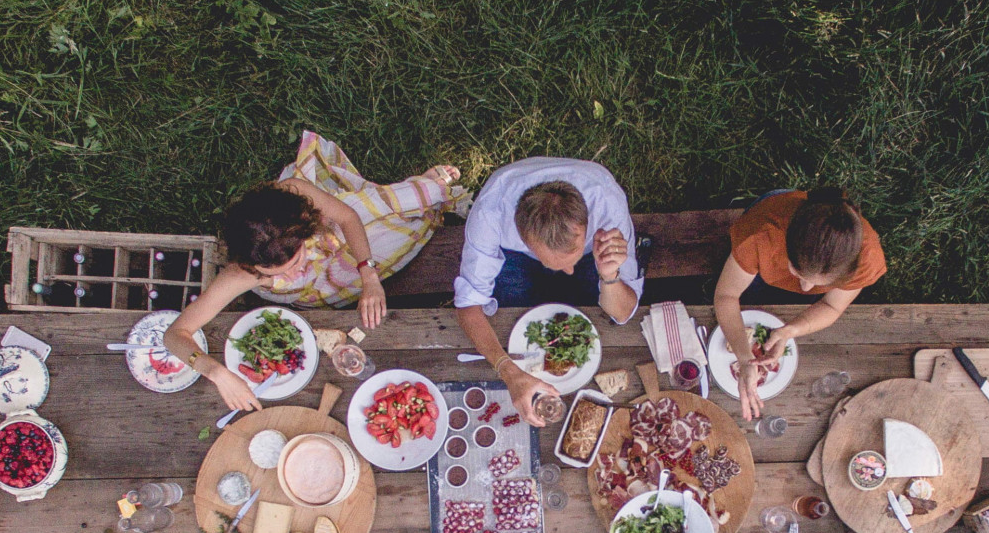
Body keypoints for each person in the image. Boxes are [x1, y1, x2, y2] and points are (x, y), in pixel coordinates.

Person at [165, 130, 464, 412]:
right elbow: (175, 335)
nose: (291, 275)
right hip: (315, 289)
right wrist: (215, 372)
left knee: (384, 214)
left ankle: (426, 189)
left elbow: (347, 219)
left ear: (303, 232)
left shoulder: (294, 194)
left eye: (294, 262)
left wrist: (369, 274)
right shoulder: (239, 275)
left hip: (333, 239)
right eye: (274, 274)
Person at [452, 158, 644, 427]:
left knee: (596, 309)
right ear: (523, 236)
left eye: (571, 261)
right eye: (556, 264)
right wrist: (509, 372)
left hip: (593, 252)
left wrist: (609, 275)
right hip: (515, 255)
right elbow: (468, 306)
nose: (568, 272)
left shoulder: (606, 205)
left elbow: (622, 314)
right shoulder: (491, 214)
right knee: (509, 315)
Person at [712, 188, 886, 419]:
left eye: (822, 284)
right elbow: (726, 295)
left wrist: (790, 331)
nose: (805, 289)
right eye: (798, 274)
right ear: (786, 248)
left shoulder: (866, 259)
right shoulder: (760, 237)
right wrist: (745, 359)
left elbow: (832, 306)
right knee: (751, 292)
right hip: (771, 216)